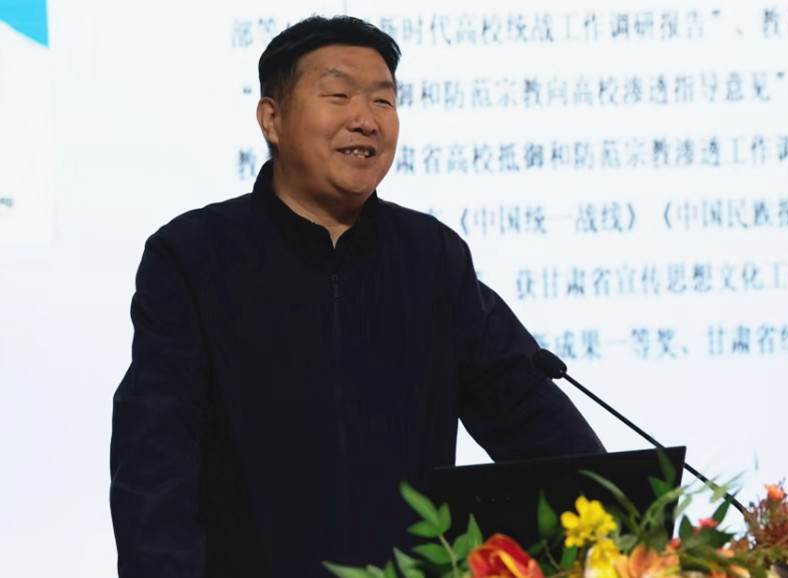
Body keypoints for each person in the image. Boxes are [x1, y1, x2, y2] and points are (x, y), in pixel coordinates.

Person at [109, 15, 605, 578]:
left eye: (383, 101)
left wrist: (620, 527)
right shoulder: (193, 256)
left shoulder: (432, 257)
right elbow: (156, 462)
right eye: (338, 96)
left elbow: (530, 416)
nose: (366, 120)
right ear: (272, 119)